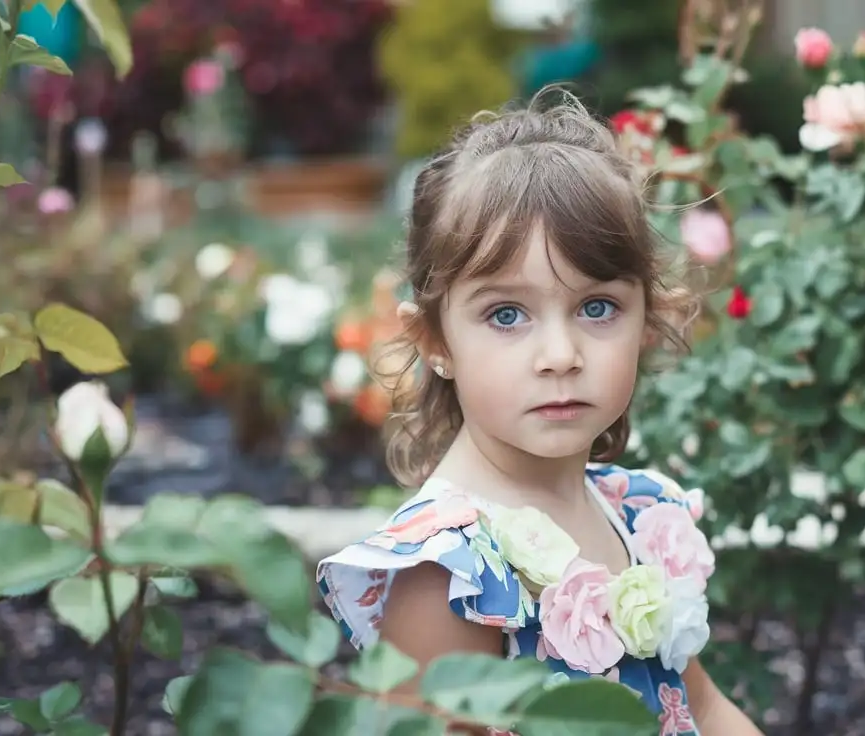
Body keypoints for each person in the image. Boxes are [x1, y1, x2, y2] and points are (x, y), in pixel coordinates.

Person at [316, 90, 763, 736]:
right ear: (436, 342)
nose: (560, 355)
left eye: (597, 307)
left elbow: (706, 708)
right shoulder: (451, 574)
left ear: (648, 318)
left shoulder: (636, 515)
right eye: (506, 315)